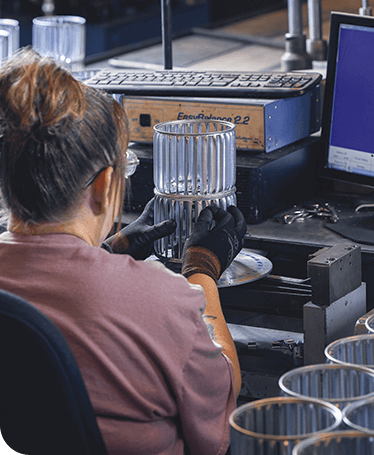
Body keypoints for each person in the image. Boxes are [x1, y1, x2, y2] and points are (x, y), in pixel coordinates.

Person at [0, 48, 246, 455]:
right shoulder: (160, 302)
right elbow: (223, 406)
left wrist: (109, 251)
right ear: (103, 187)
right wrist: (202, 274)